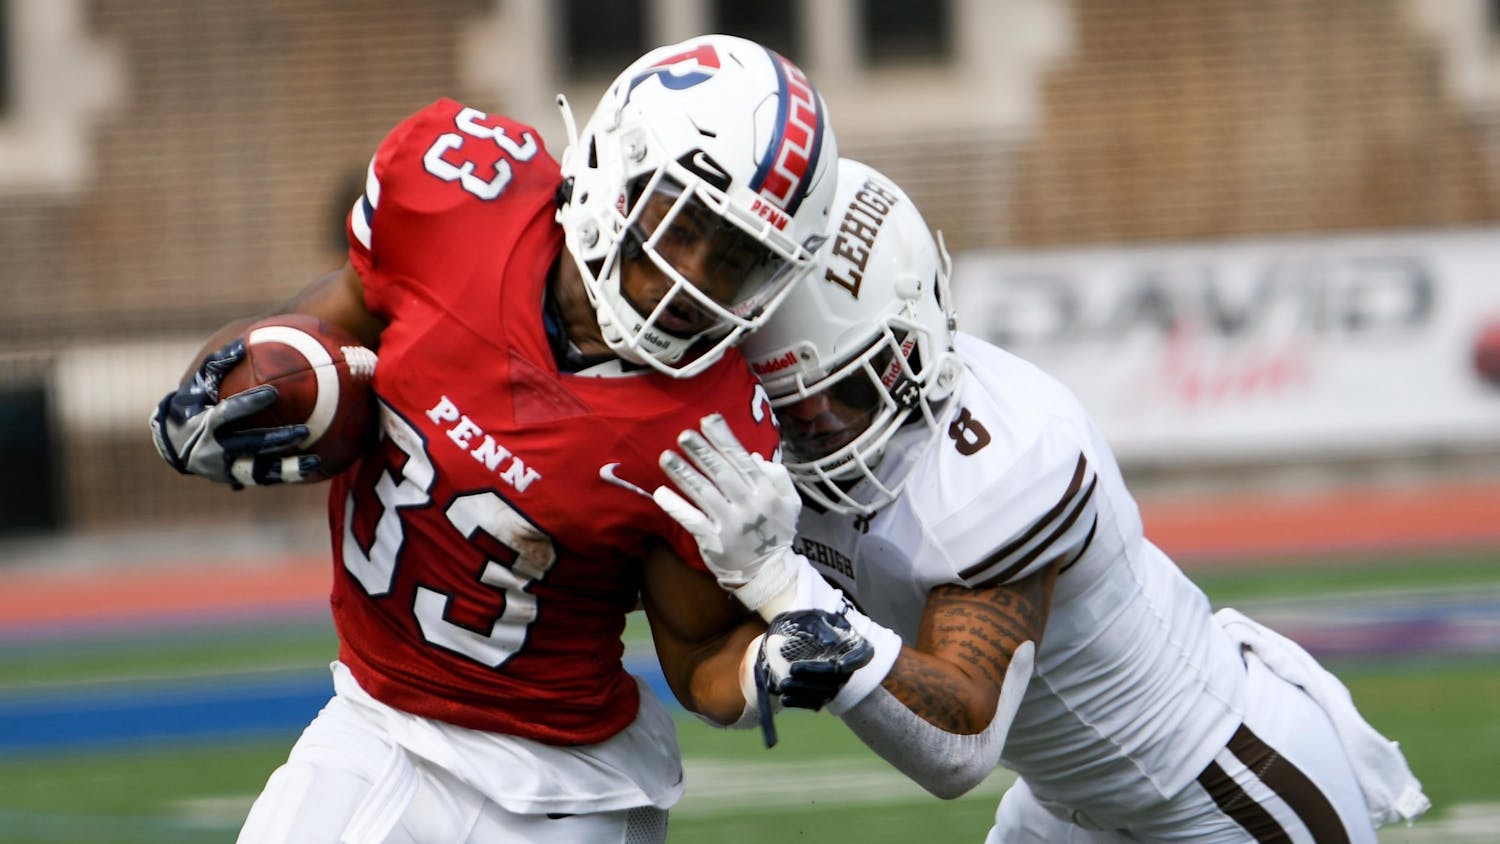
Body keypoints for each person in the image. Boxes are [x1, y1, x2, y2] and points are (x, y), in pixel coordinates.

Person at [148, 34, 842, 843]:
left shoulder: (707, 428)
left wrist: (768, 662)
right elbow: (316, 330)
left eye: (736, 260)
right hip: (372, 720)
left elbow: (697, 658)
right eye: (683, 222)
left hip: (568, 786)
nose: (692, 277)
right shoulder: (456, 198)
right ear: (618, 166)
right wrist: (211, 396)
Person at [652, 159, 1432, 842]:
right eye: (788, 404)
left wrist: (785, 591)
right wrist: (764, 663)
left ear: (915, 335)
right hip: (1068, 807)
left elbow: (958, 742)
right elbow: (709, 671)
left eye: (847, 389)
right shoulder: (765, 449)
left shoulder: (1010, 455)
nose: (818, 425)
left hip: (1219, 789)